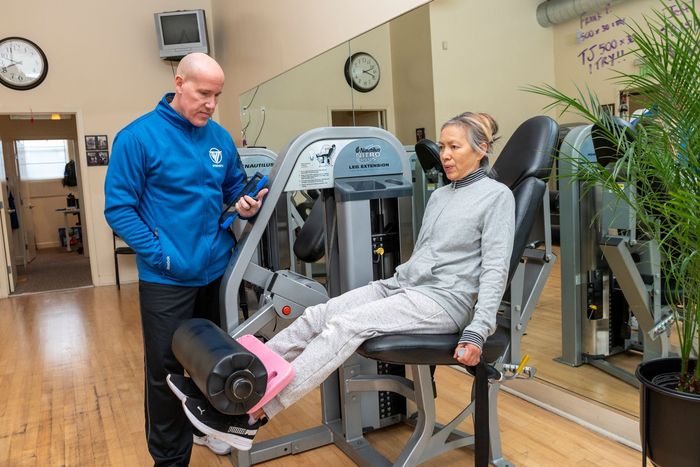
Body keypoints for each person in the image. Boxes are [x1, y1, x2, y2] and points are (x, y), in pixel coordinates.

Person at [168, 112, 515, 451]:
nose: (445, 155)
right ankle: (229, 391)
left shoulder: (496, 197)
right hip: (403, 286)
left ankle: (252, 415)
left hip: (443, 301)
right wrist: (396, 282)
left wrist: (477, 329)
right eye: (442, 146)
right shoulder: (441, 195)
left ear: (481, 149)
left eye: (454, 147)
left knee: (344, 327)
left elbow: (495, 270)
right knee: (315, 317)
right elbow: (426, 256)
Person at [104, 52, 268, 465]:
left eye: (217, 95)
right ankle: (170, 458)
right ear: (179, 83)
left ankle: (207, 428)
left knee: (212, 361)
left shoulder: (219, 138)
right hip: (167, 278)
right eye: (203, 93)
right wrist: (162, 256)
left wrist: (242, 204)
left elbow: (231, 190)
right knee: (165, 374)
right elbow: (119, 209)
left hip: (215, 271)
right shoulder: (137, 137)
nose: (210, 104)